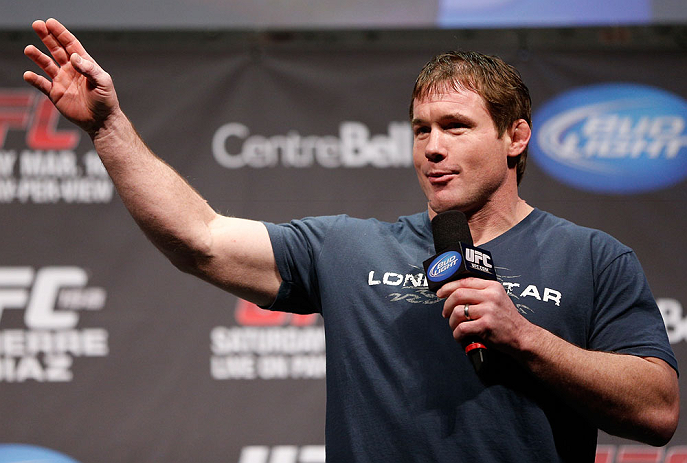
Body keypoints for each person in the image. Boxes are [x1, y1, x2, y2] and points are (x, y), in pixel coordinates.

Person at [24, 18, 679, 462]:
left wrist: (524, 337)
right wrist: (108, 127)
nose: (433, 147)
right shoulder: (351, 249)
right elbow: (200, 238)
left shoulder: (593, 257)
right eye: (420, 129)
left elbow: (657, 411)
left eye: (455, 125)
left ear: (515, 137)